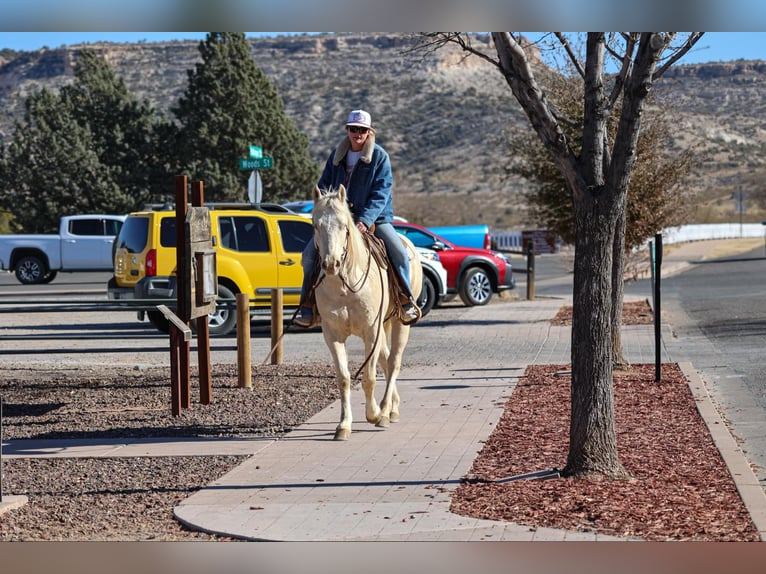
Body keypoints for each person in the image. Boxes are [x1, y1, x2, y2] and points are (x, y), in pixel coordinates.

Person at [294, 109, 420, 327]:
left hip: (374, 219)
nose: (357, 134)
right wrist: (325, 208)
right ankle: (308, 306)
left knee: (398, 252)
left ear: (369, 132)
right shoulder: (337, 156)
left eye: (362, 130)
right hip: (339, 221)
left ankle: (405, 299)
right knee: (308, 256)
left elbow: (381, 192)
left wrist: (365, 220)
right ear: (347, 130)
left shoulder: (379, 156)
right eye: (353, 129)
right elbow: (324, 185)